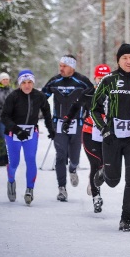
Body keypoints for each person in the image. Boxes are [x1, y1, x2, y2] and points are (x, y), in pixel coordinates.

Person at [90, 44, 130, 232]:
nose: (129, 61)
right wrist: (104, 129)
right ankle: (103, 173)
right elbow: (94, 108)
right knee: (113, 180)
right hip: (112, 137)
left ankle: (126, 219)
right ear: (118, 60)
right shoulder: (109, 80)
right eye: (125, 58)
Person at [42, 55, 94, 201]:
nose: (61, 68)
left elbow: (93, 99)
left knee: (75, 157)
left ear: (72, 67)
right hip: (58, 124)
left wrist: (89, 115)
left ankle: (73, 169)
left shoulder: (82, 81)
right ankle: (62, 188)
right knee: (60, 156)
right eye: (60, 65)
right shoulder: (54, 81)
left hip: (77, 124)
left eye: (64, 66)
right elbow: (40, 97)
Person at [0, 70, 54, 204]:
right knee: (14, 162)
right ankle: (11, 182)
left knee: (30, 160)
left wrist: (51, 129)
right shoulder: (13, 96)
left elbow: (47, 113)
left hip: (31, 133)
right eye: (24, 83)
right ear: (19, 84)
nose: (27, 85)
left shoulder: (39, 96)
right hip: (13, 133)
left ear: (33, 83)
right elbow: (4, 117)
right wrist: (17, 130)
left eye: (30, 82)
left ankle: (30, 190)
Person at [67, 63, 110, 213]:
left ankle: (93, 182)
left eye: (105, 77)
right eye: (99, 77)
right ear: (95, 78)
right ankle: (96, 197)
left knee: (105, 166)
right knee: (96, 164)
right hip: (89, 132)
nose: (102, 80)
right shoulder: (88, 93)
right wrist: (67, 121)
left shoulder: (114, 94)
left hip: (107, 133)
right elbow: (75, 107)